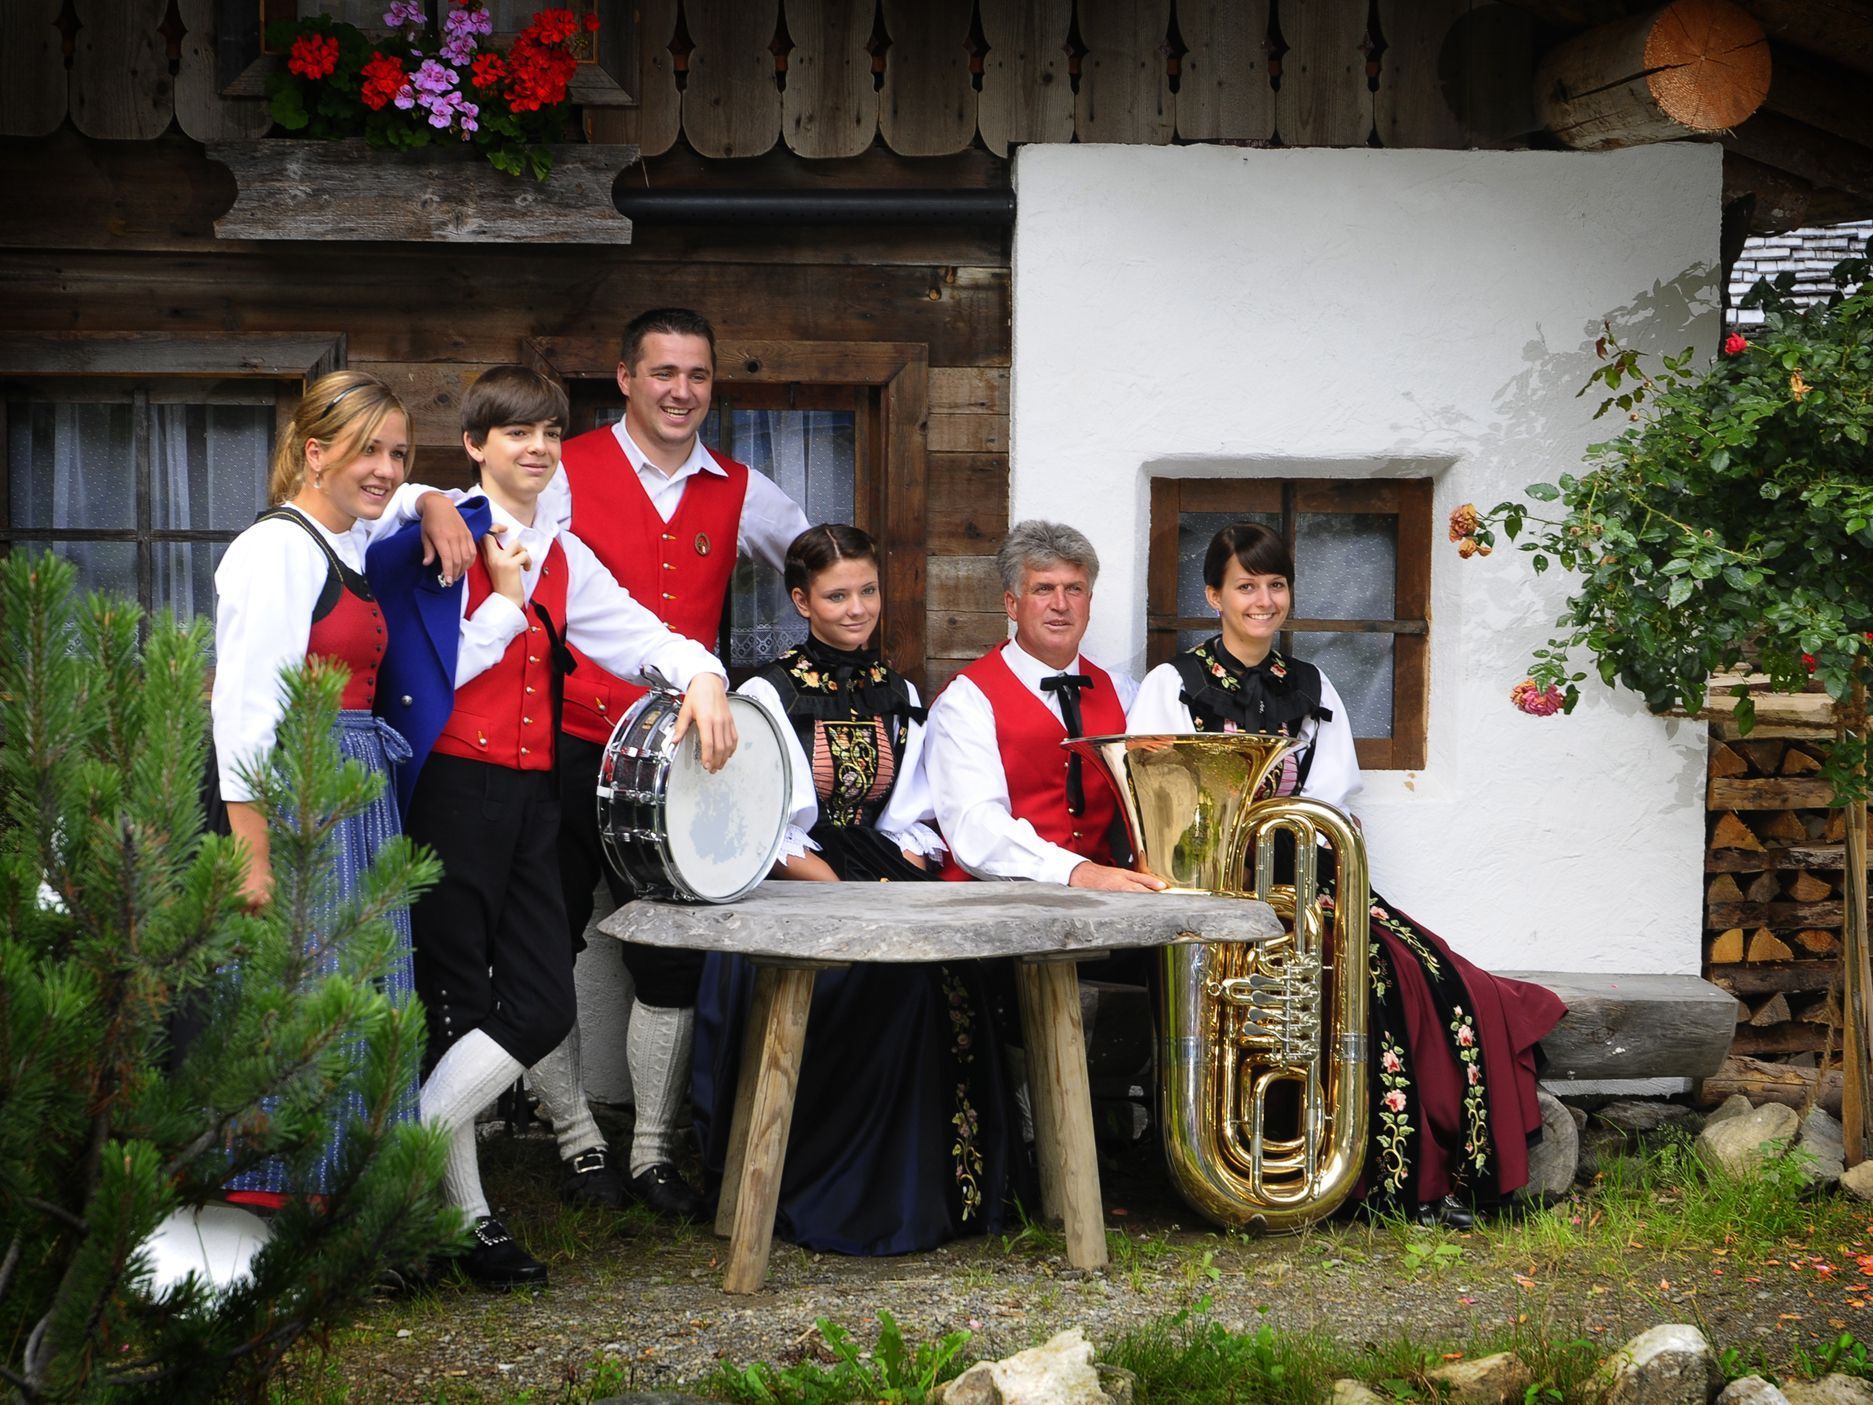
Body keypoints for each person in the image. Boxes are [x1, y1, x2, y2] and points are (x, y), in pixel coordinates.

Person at [372, 365, 736, 1287]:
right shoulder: (429, 535)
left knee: (540, 1000)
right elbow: (385, 551)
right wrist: (429, 503)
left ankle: (401, 1165)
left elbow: (644, 634)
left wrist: (701, 675)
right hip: (450, 790)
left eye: (546, 433)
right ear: (476, 446)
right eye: (513, 433)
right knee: (454, 1003)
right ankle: (468, 1219)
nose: (534, 448)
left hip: (534, 800)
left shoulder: (563, 554)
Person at [1126, 521, 1566, 1224]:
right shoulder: (1171, 683)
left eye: (1274, 584)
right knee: (1374, 979)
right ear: (1214, 594)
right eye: (1245, 585)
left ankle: (1436, 1174)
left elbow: (1331, 797)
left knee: (1439, 978)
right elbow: (1157, 804)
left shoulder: (1309, 682)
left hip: (1308, 875)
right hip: (1215, 886)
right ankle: (1383, 1180)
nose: (1262, 599)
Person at [535, 308, 810, 1220]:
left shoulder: (740, 487)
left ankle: (652, 1150)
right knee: (543, 949)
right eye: (662, 372)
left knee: (669, 960)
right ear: (625, 378)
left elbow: (814, 566)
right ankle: (577, 1139)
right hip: (569, 743)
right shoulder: (563, 469)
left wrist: (783, 688)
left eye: (696, 374)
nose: (680, 391)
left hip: (684, 764)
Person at [690, 525, 1019, 1253]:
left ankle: (942, 1198)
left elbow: (909, 815)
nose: (856, 607)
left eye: (867, 590)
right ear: (801, 601)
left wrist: (894, 880)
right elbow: (761, 830)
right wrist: (843, 897)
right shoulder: (764, 695)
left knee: (948, 969)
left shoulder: (895, 690)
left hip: (878, 869)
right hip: (794, 886)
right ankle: (844, 1195)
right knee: (880, 980)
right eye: (837, 594)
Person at [211, 369, 475, 1206]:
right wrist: (253, 860)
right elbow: (248, 711)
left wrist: (430, 498)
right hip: (301, 791)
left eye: (398, 453)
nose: (387, 469)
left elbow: (389, 502)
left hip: (354, 793)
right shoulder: (277, 549)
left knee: (360, 990)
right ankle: (276, 1206)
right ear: (313, 450)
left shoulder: (339, 541)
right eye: (368, 451)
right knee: (306, 993)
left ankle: (341, 1208)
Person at [923, 520, 1164, 893]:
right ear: (1011, 604)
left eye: (1074, 589)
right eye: (1043, 589)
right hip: (989, 912)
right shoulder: (966, 700)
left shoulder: (1125, 693)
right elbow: (975, 827)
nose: (1061, 605)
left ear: (1089, 601)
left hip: (1105, 914)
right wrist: (1078, 872)